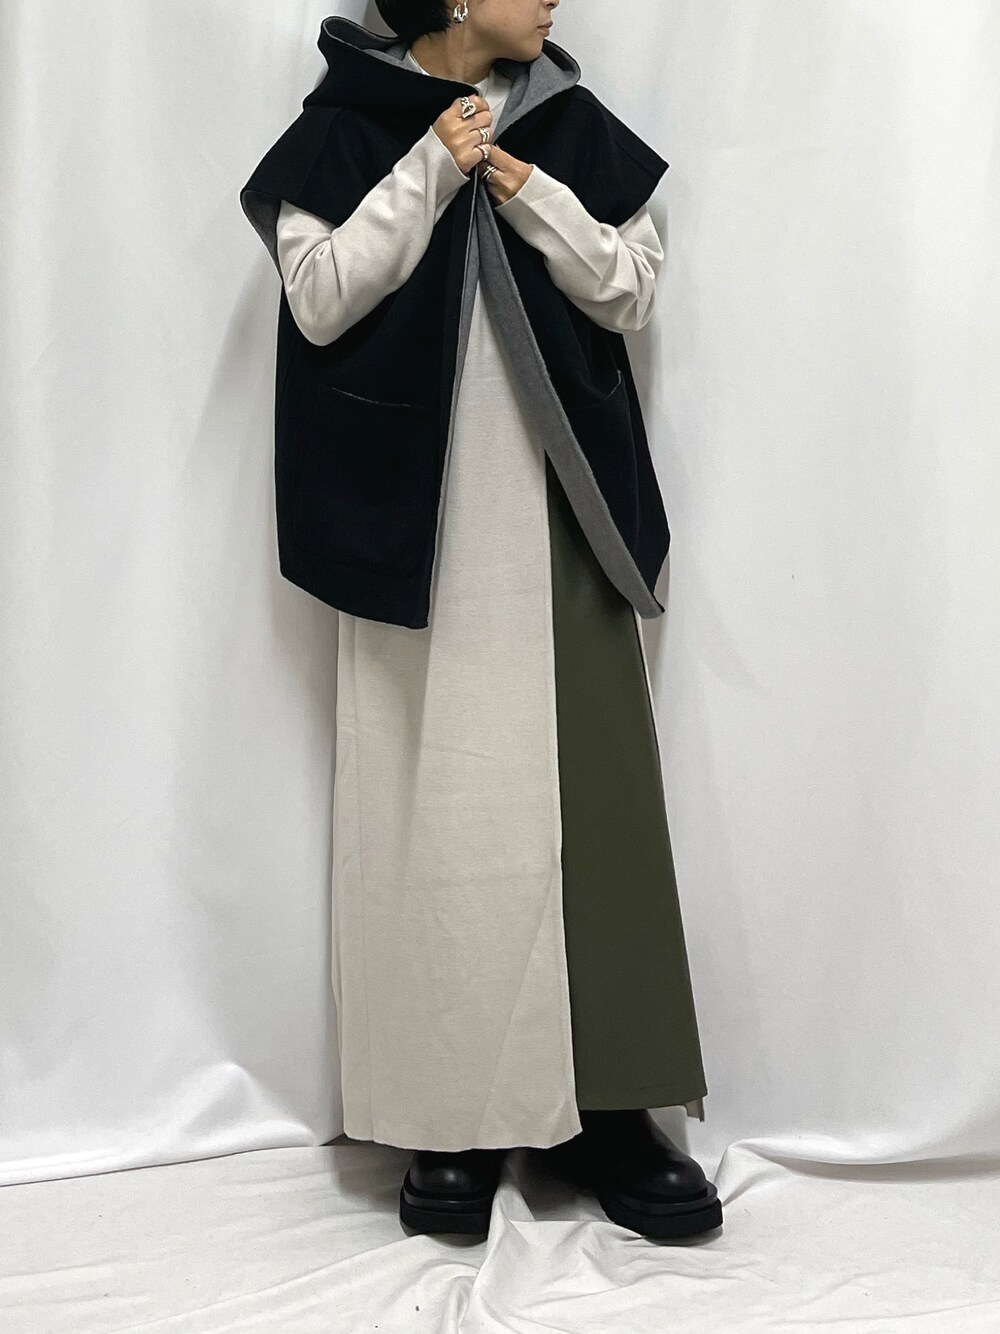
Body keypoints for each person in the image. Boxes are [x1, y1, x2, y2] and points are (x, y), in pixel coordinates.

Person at [247, 0, 723, 1241]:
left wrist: (520, 184)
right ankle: (444, 1112)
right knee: (432, 814)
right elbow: (318, 297)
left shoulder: (567, 123)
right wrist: (427, 166)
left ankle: (613, 1105)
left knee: (592, 807)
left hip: (560, 518)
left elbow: (629, 289)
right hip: (412, 530)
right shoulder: (347, 126)